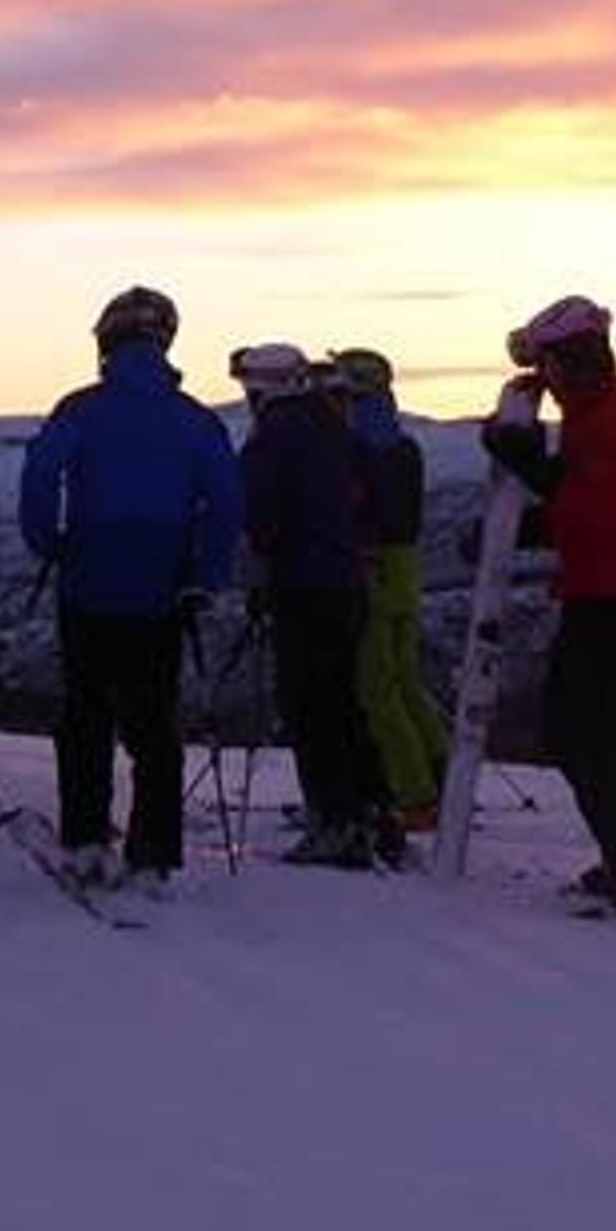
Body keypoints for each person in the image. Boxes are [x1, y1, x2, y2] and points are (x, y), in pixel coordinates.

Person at [17, 286, 243, 891]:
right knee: (154, 723)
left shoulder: (81, 409)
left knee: (85, 715)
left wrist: (50, 541)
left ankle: (86, 842)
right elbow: (225, 504)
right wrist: (204, 575)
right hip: (161, 590)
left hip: (89, 580)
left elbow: (41, 473)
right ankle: (153, 855)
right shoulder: (197, 420)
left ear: (107, 342)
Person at [482, 292, 616, 917]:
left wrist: (534, 483)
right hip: (609, 589)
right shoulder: (604, 411)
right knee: (602, 735)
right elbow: (587, 496)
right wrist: (536, 497)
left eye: (549, 365)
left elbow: (601, 513)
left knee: (588, 736)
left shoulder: (612, 420)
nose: (546, 378)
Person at [232, 341, 398, 868]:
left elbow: (262, 519)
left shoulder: (270, 440)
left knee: (310, 708)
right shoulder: (337, 428)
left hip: (302, 584)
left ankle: (335, 821)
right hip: (348, 579)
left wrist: (261, 562)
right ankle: (373, 810)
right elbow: (376, 490)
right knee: (345, 701)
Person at [328, 346, 444, 833]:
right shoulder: (403, 444)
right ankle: (444, 778)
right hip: (406, 565)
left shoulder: (356, 446)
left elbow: (356, 509)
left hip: (372, 567)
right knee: (406, 680)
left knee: (377, 689)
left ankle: (414, 796)